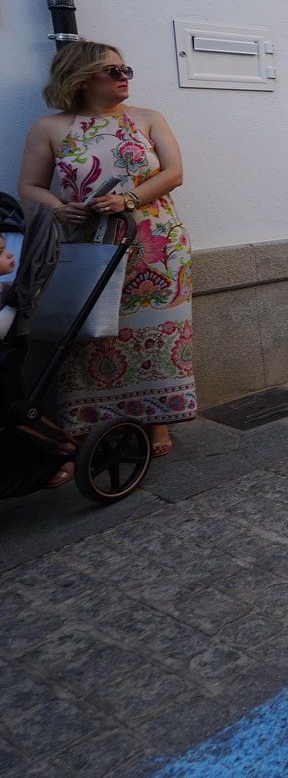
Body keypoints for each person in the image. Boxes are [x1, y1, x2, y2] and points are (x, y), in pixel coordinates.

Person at [17, 41, 196, 481]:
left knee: (151, 331)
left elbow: (173, 173)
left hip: (155, 241)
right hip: (88, 243)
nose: (124, 77)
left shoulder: (147, 118)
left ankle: (155, 418)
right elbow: (29, 186)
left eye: (126, 68)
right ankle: (87, 421)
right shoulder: (51, 127)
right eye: (112, 70)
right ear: (80, 78)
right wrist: (60, 208)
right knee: (90, 334)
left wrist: (130, 198)